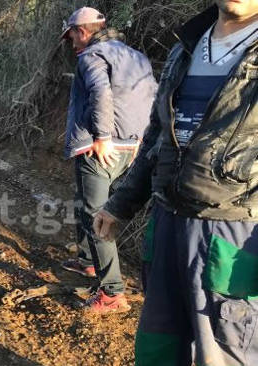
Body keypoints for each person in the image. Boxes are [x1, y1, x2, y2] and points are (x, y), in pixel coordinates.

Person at [96, 1, 258, 366]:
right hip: (166, 221)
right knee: (158, 342)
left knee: (226, 357)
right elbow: (158, 136)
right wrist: (123, 201)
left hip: (234, 230)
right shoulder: (191, 43)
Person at [59, 7, 157, 314]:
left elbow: (100, 93)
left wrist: (101, 136)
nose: (71, 42)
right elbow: (152, 95)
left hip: (101, 149)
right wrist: (144, 138)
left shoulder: (91, 56)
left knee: (95, 215)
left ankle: (112, 292)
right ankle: (88, 261)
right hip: (134, 147)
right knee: (86, 201)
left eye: (72, 35)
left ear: (83, 31)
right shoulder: (135, 56)